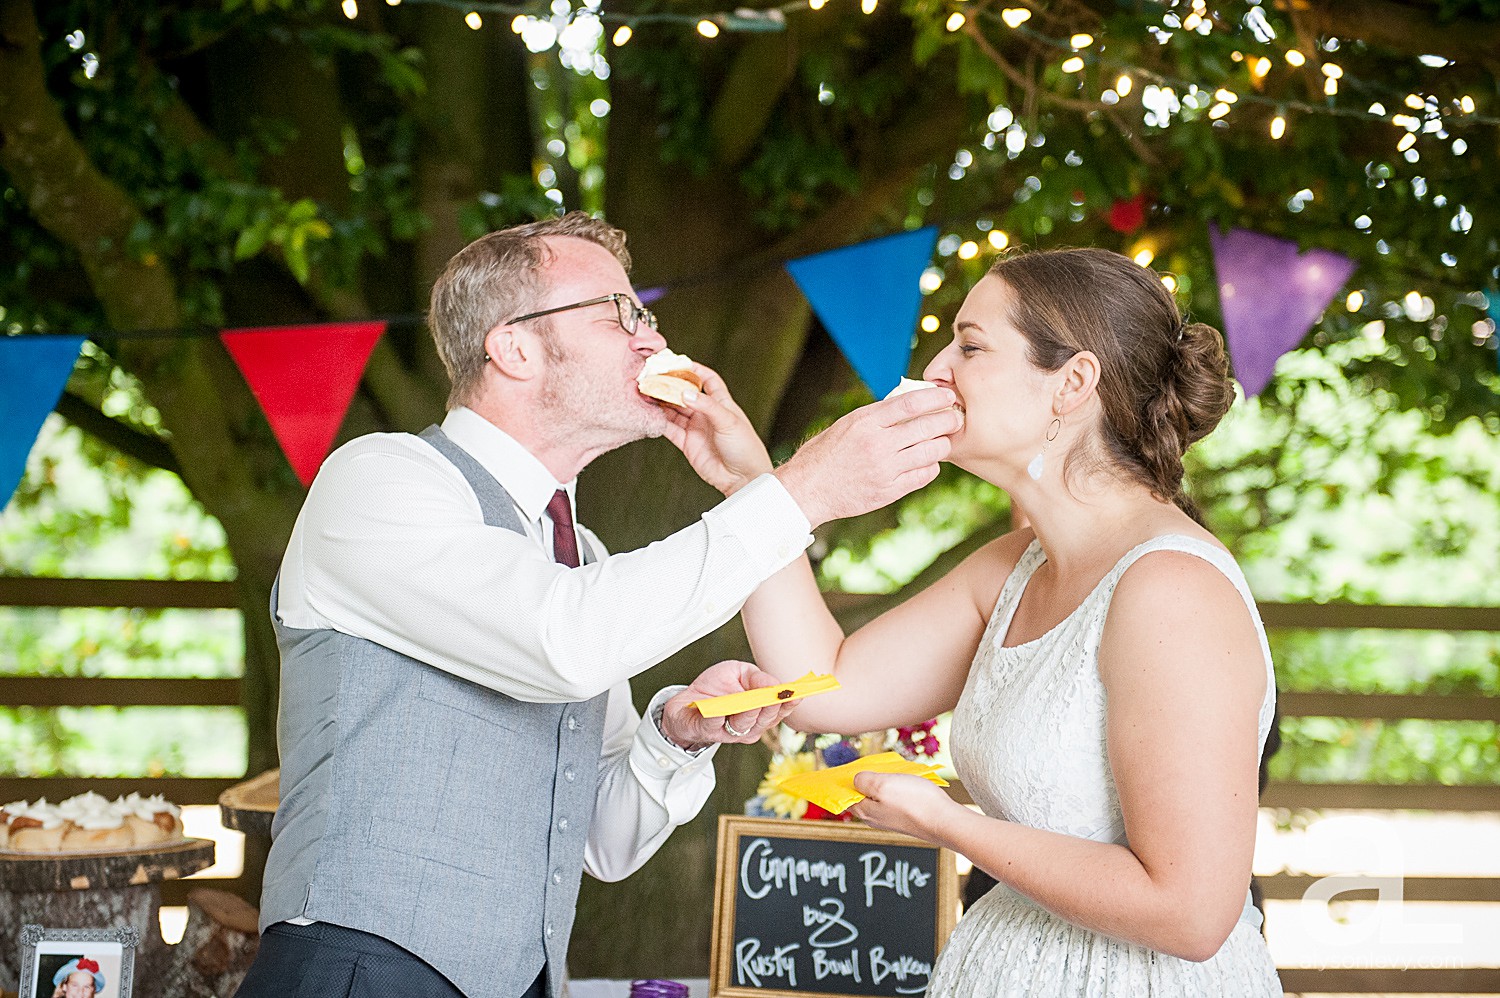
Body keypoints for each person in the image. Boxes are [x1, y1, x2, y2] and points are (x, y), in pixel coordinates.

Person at [233, 212, 961, 998]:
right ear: (512, 346)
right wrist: (803, 488)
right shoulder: (379, 479)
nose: (651, 338)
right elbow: (562, 640)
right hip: (354, 974)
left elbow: (604, 842)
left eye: (644, 312)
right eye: (618, 313)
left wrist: (677, 736)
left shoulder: (581, 554)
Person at [734, 247, 1283, 994]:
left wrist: (945, 823)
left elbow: (1191, 912)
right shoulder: (1014, 565)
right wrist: (752, 483)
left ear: (1073, 383)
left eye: (970, 345)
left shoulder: (1170, 590)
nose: (934, 369)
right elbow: (819, 690)